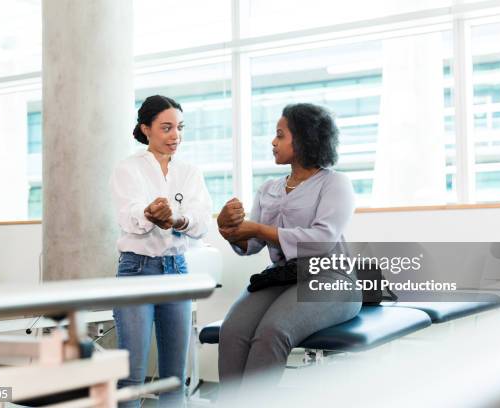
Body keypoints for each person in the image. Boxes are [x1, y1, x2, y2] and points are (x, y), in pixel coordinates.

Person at [217, 103, 362, 395]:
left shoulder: (335, 183)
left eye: (280, 135)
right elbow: (251, 245)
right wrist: (228, 229)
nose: (273, 142)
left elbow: (321, 239)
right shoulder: (268, 188)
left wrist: (256, 228)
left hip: (331, 277)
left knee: (272, 333)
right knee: (231, 331)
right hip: (281, 277)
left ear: (305, 139)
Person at [111, 95, 212, 407]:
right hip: (136, 270)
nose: (175, 136)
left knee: (174, 377)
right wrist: (150, 214)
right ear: (146, 129)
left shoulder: (190, 172)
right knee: (132, 376)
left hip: (176, 270)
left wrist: (178, 219)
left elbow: (200, 222)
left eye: (179, 128)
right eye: (166, 128)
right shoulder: (128, 169)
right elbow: (129, 215)